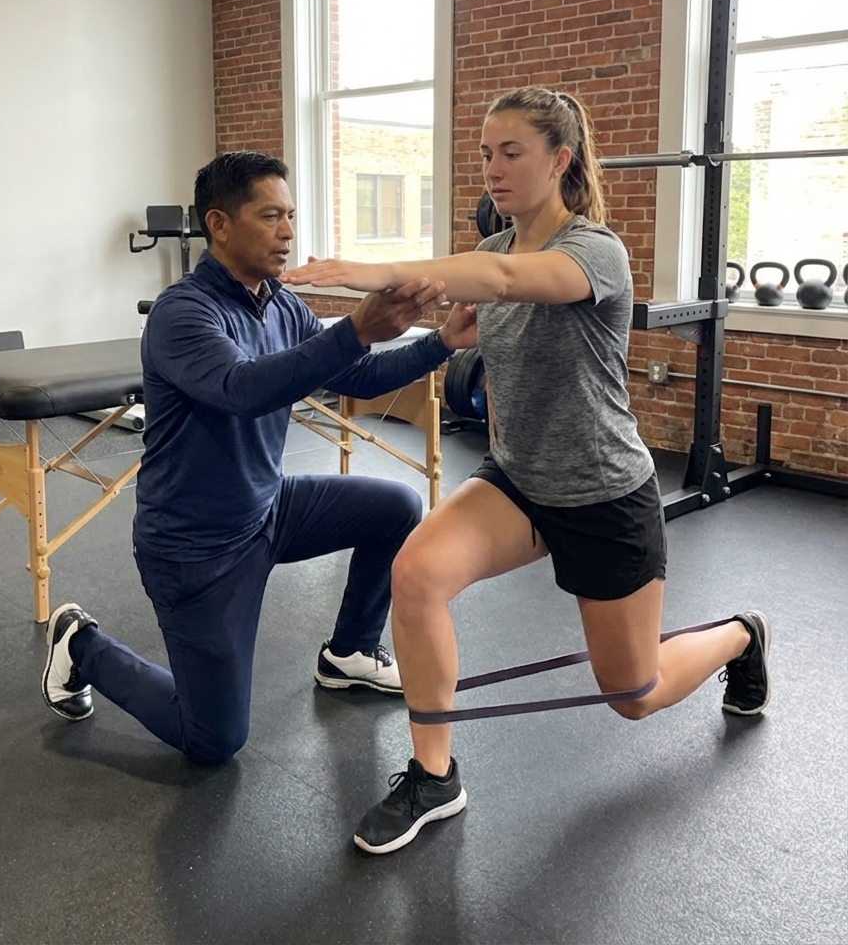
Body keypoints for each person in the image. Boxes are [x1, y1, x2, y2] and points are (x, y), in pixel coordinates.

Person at [282, 86, 771, 855]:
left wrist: (369, 270)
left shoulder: (593, 251)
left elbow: (510, 282)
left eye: (511, 153)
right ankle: (434, 776)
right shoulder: (495, 253)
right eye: (486, 154)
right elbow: (491, 292)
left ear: (560, 159)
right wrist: (444, 336)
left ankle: (741, 636)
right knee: (416, 574)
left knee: (633, 692)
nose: (493, 169)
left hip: (602, 492)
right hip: (518, 481)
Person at [41, 151, 477, 767]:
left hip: (268, 508)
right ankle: (81, 644)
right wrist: (353, 329)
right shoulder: (182, 312)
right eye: (271, 217)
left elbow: (356, 376)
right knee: (213, 740)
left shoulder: (281, 305)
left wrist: (442, 343)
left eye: (290, 216)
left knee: (397, 507)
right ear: (219, 224)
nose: (288, 232)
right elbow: (241, 390)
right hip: (196, 545)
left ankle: (350, 652)